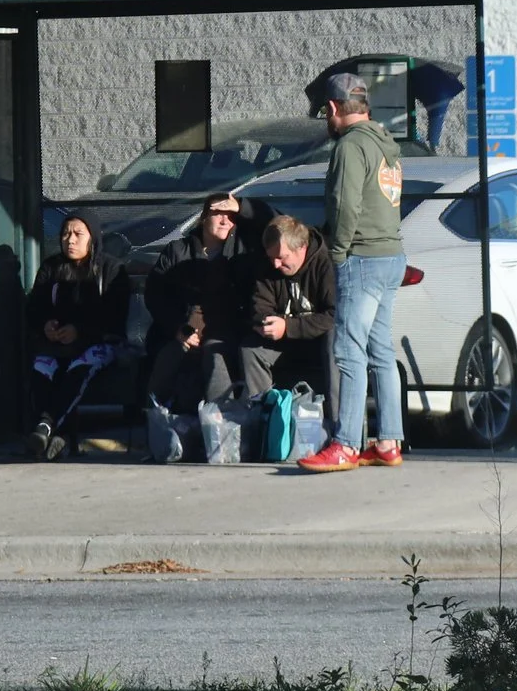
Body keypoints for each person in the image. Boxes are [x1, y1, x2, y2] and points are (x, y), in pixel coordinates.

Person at [298, 70, 409, 471]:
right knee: (381, 352)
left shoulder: (350, 147)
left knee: (348, 351)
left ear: (332, 108)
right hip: (389, 254)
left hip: (361, 257)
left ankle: (345, 443)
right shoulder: (385, 144)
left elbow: (345, 207)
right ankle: (388, 441)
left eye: (324, 113)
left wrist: (339, 253)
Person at [24, 213, 131, 460]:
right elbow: (35, 308)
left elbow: (114, 316)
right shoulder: (51, 268)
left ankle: (45, 427)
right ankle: (58, 438)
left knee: (79, 368)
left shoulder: (111, 269)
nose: (70, 240)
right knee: (42, 368)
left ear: (92, 238)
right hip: (56, 344)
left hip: (99, 342)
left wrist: (80, 331)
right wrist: (46, 326)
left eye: (77, 234)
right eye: (65, 234)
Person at [144, 192, 247, 411]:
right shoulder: (177, 250)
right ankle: (154, 417)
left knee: (215, 355)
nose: (224, 220)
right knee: (171, 354)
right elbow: (155, 295)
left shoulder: (240, 254)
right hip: (180, 331)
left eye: (230, 215)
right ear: (203, 217)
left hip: (223, 334)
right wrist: (177, 329)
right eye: (218, 213)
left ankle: (219, 422)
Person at [240, 213, 336, 396]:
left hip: (319, 339)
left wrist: (288, 326)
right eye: (271, 258)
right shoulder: (267, 266)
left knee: (336, 340)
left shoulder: (326, 264)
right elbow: (259, 306)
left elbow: (335, 315)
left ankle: (337, 419)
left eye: (282, 257)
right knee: (250, 349)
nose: (276, 264)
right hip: (284, 342)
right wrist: (264, 323)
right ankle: (265, 415)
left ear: (302, 247)